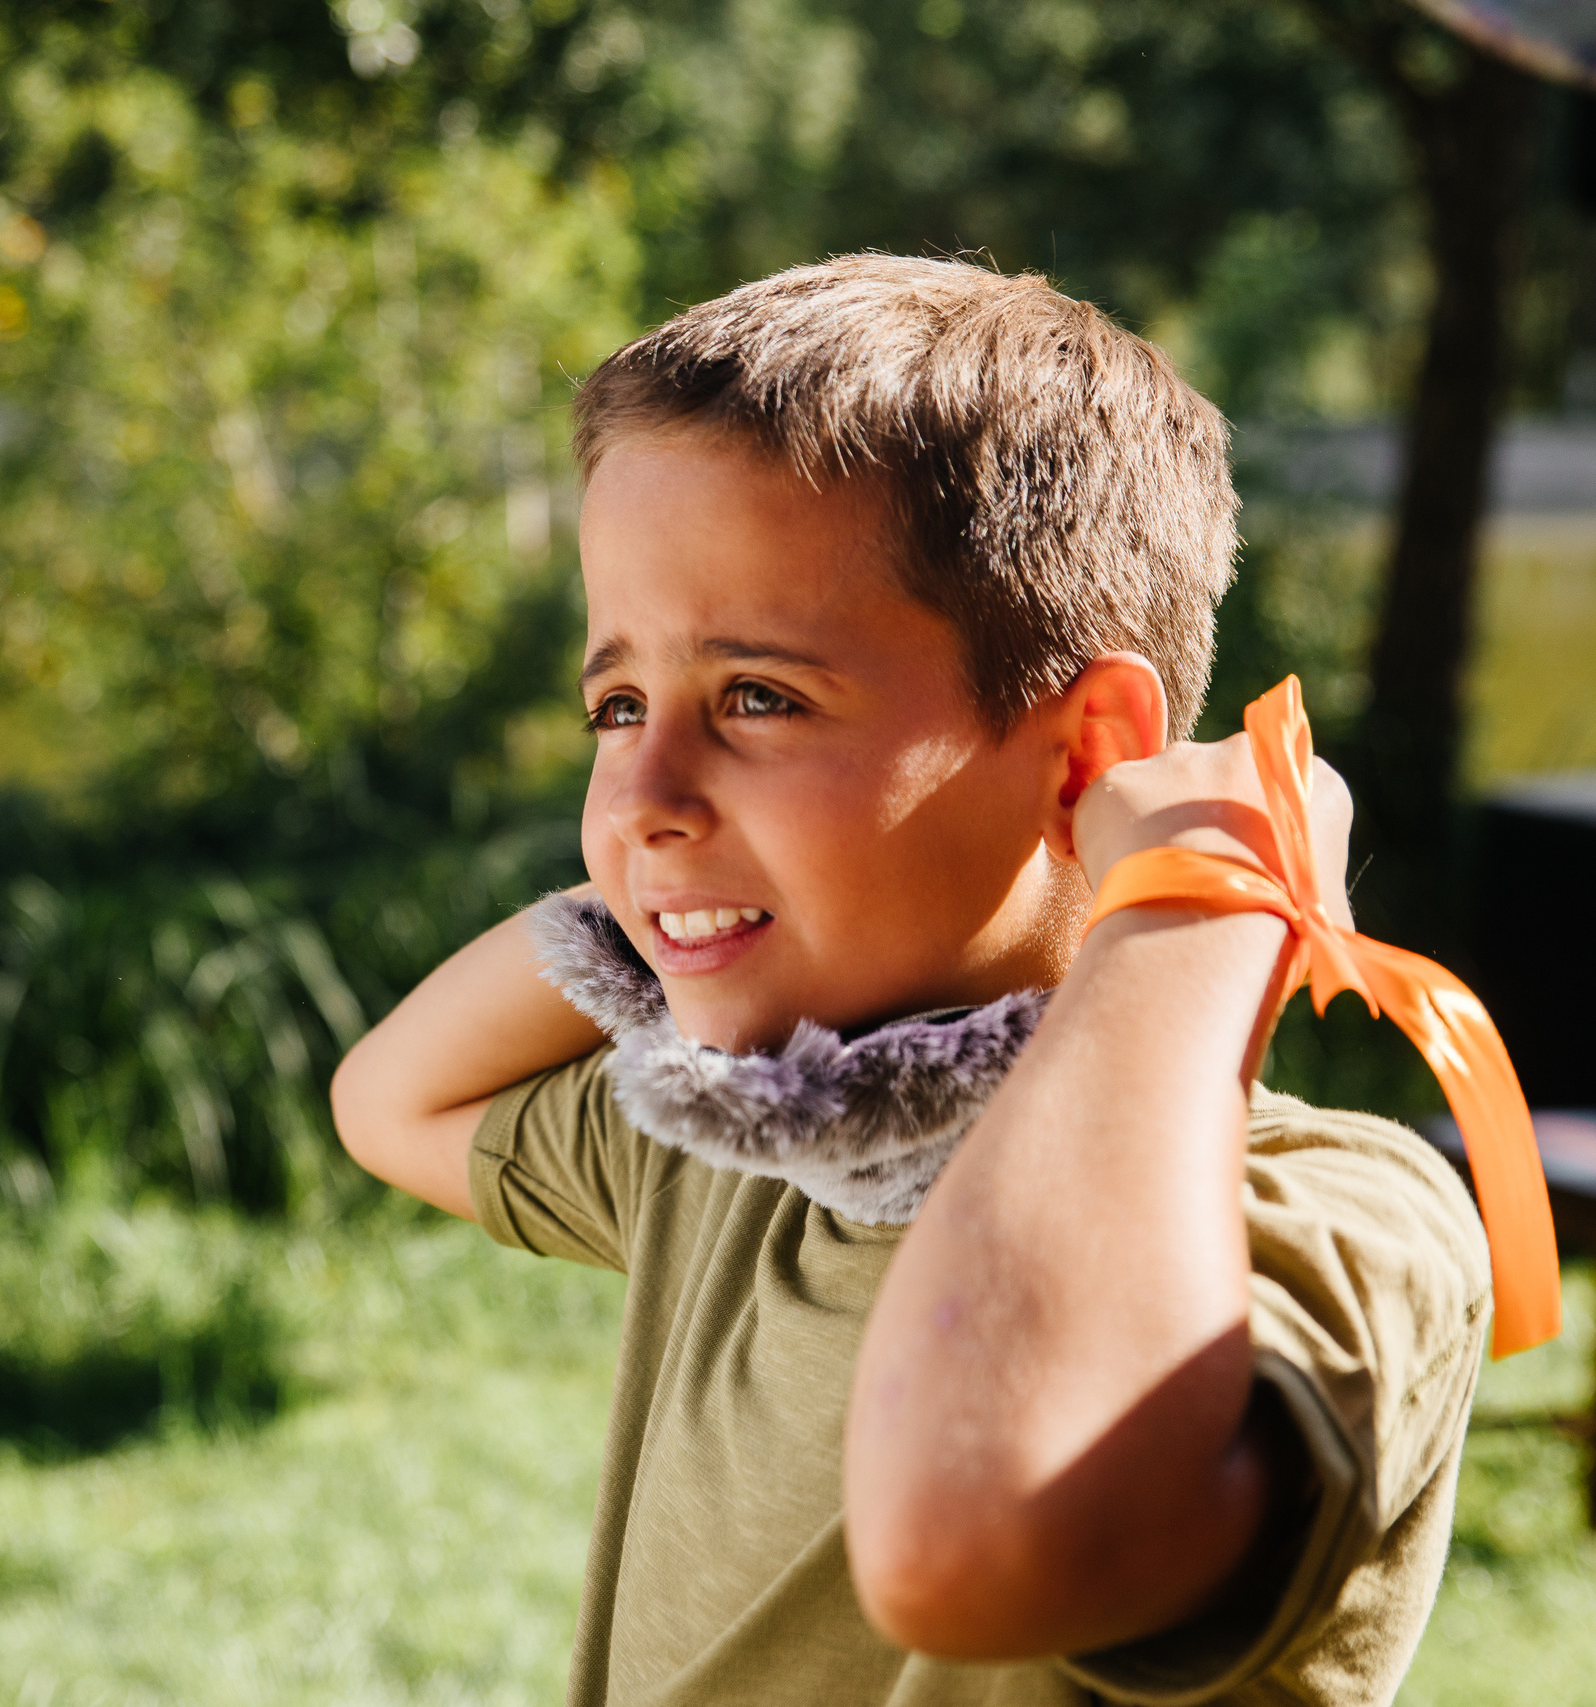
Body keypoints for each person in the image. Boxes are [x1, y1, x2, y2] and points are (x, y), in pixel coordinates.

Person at [329, 254, 1490, 1706]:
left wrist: (1191, 913)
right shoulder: (748, 1158)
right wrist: (689, 887)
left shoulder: (1332, 1221)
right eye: (615, 705)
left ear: (1088, 756)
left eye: (758, 697)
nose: (636, 792)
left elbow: (977, 1537)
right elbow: (391, 1098)